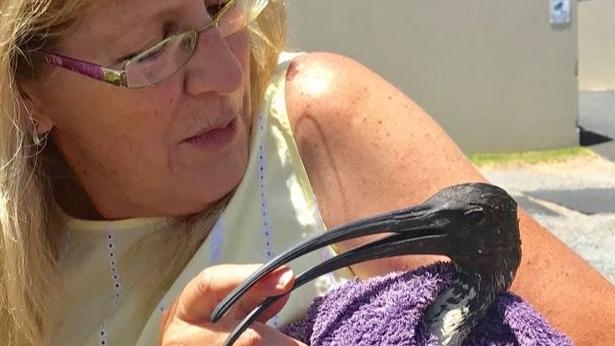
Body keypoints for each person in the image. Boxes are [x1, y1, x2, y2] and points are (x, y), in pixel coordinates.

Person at [1, 0, 613, 345]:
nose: (226, 74)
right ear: (29, 92)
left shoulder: (317, 121)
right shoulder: (16, 259)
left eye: (220, 6)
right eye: (153, 50)